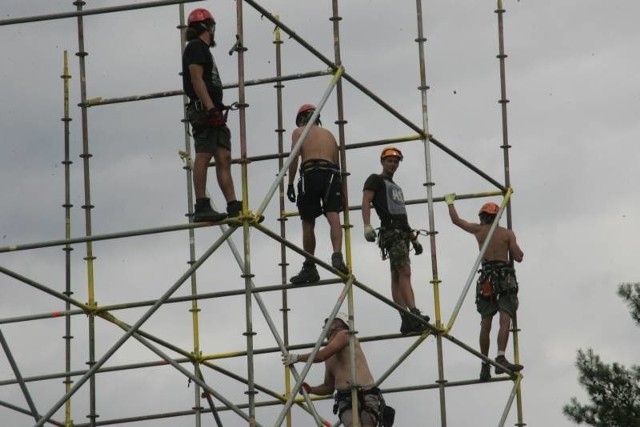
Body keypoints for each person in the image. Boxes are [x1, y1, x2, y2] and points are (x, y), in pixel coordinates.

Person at [444, 193, 524, 381]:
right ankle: (501, 356)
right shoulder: (507, 233)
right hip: (505, 278)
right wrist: (513, 247)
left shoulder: (479, 231)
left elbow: (456, 220)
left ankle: (484, 364)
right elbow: (518, 257)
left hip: (487, 279)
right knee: (505, 319)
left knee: (485, 323)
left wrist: (450, 202)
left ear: (483, 217)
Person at [361, 147, 430, 335]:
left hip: (401, 232)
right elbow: (366, 200)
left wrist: (413, 238)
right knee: (404, 272)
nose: (393, 164)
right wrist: (366, 224)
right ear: (382, 162)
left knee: (397, 275)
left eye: (396, 162)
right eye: (390, 161)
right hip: (391, 232)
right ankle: (412, 313)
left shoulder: (396, 188)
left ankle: (406, 319)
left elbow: (401, 214)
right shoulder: (375, 179)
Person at [281, 312, 393, 427]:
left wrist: (298, 358)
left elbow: (320, 356)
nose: (324, 328)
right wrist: (311, 389)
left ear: (336, 324)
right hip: (345, 398)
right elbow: (329, 387)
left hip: (365, 393)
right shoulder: (329, 356)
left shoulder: (345, 334)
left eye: (327, 324)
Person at [182, 8, 242, 222]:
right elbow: (196, 80)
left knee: (224, 157)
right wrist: (210, 108)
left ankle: (233, 205)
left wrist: (215, 108)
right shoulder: (196, 47)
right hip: (204, 111)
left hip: (212, 110)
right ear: (207, 26)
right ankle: (201, 205)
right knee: (204, 155)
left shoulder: (203, 50)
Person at [286, 104, 348, 283]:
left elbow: (294, 158)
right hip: (331, 176)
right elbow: (338, 166)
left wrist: (290, 183)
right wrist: (342, 192)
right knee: (333, 215)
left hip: (311, 174)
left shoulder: (299, 132)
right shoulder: (330, 135)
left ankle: (309, 266)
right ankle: (337, 256)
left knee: (308, 222)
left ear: (302, 118)